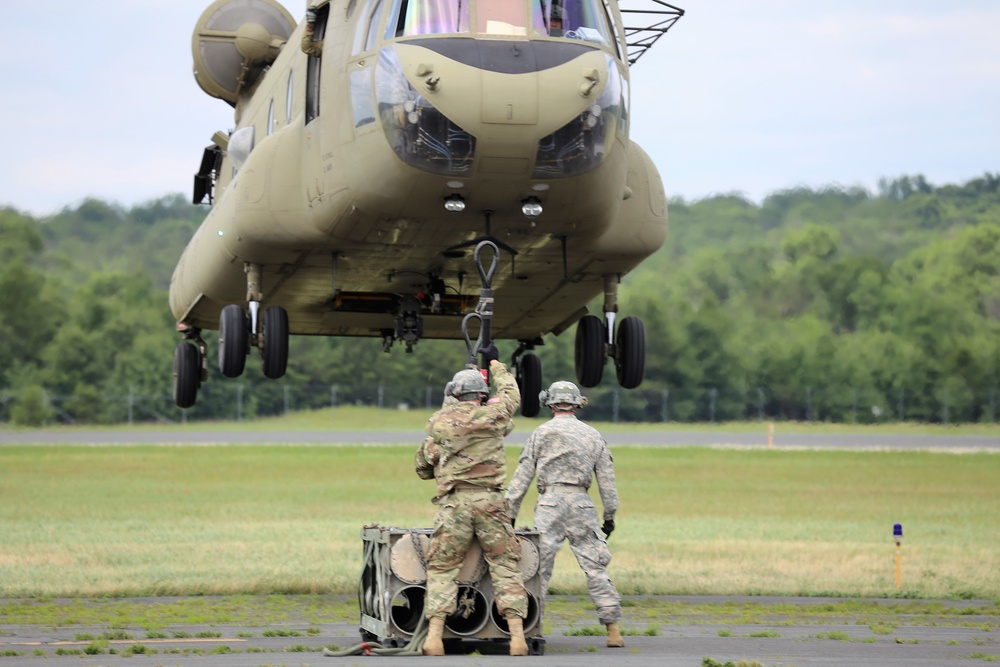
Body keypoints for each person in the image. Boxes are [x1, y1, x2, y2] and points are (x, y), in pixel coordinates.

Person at [415, 360, 529, 656]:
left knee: (442, 568)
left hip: (455, 505)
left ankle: (434, 639)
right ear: (480, 394)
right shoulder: (494, 419)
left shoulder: (440, 422)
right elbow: (510, 398)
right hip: (491, 502)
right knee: (505, 566)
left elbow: (424, 463)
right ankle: (517, 638)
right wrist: (499, 370)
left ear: (455, 393)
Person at [505, 380, 625, 647]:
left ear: (550, 403)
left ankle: (532, 630)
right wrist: (609, 517)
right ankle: (613, 630)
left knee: (539, 570)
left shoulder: (540, 433)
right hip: (582, 504)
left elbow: (522, 477)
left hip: (550, 505)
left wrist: (509, 515)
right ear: (576, 403)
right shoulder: (593, 435)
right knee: (595, 568)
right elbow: (607, 483)